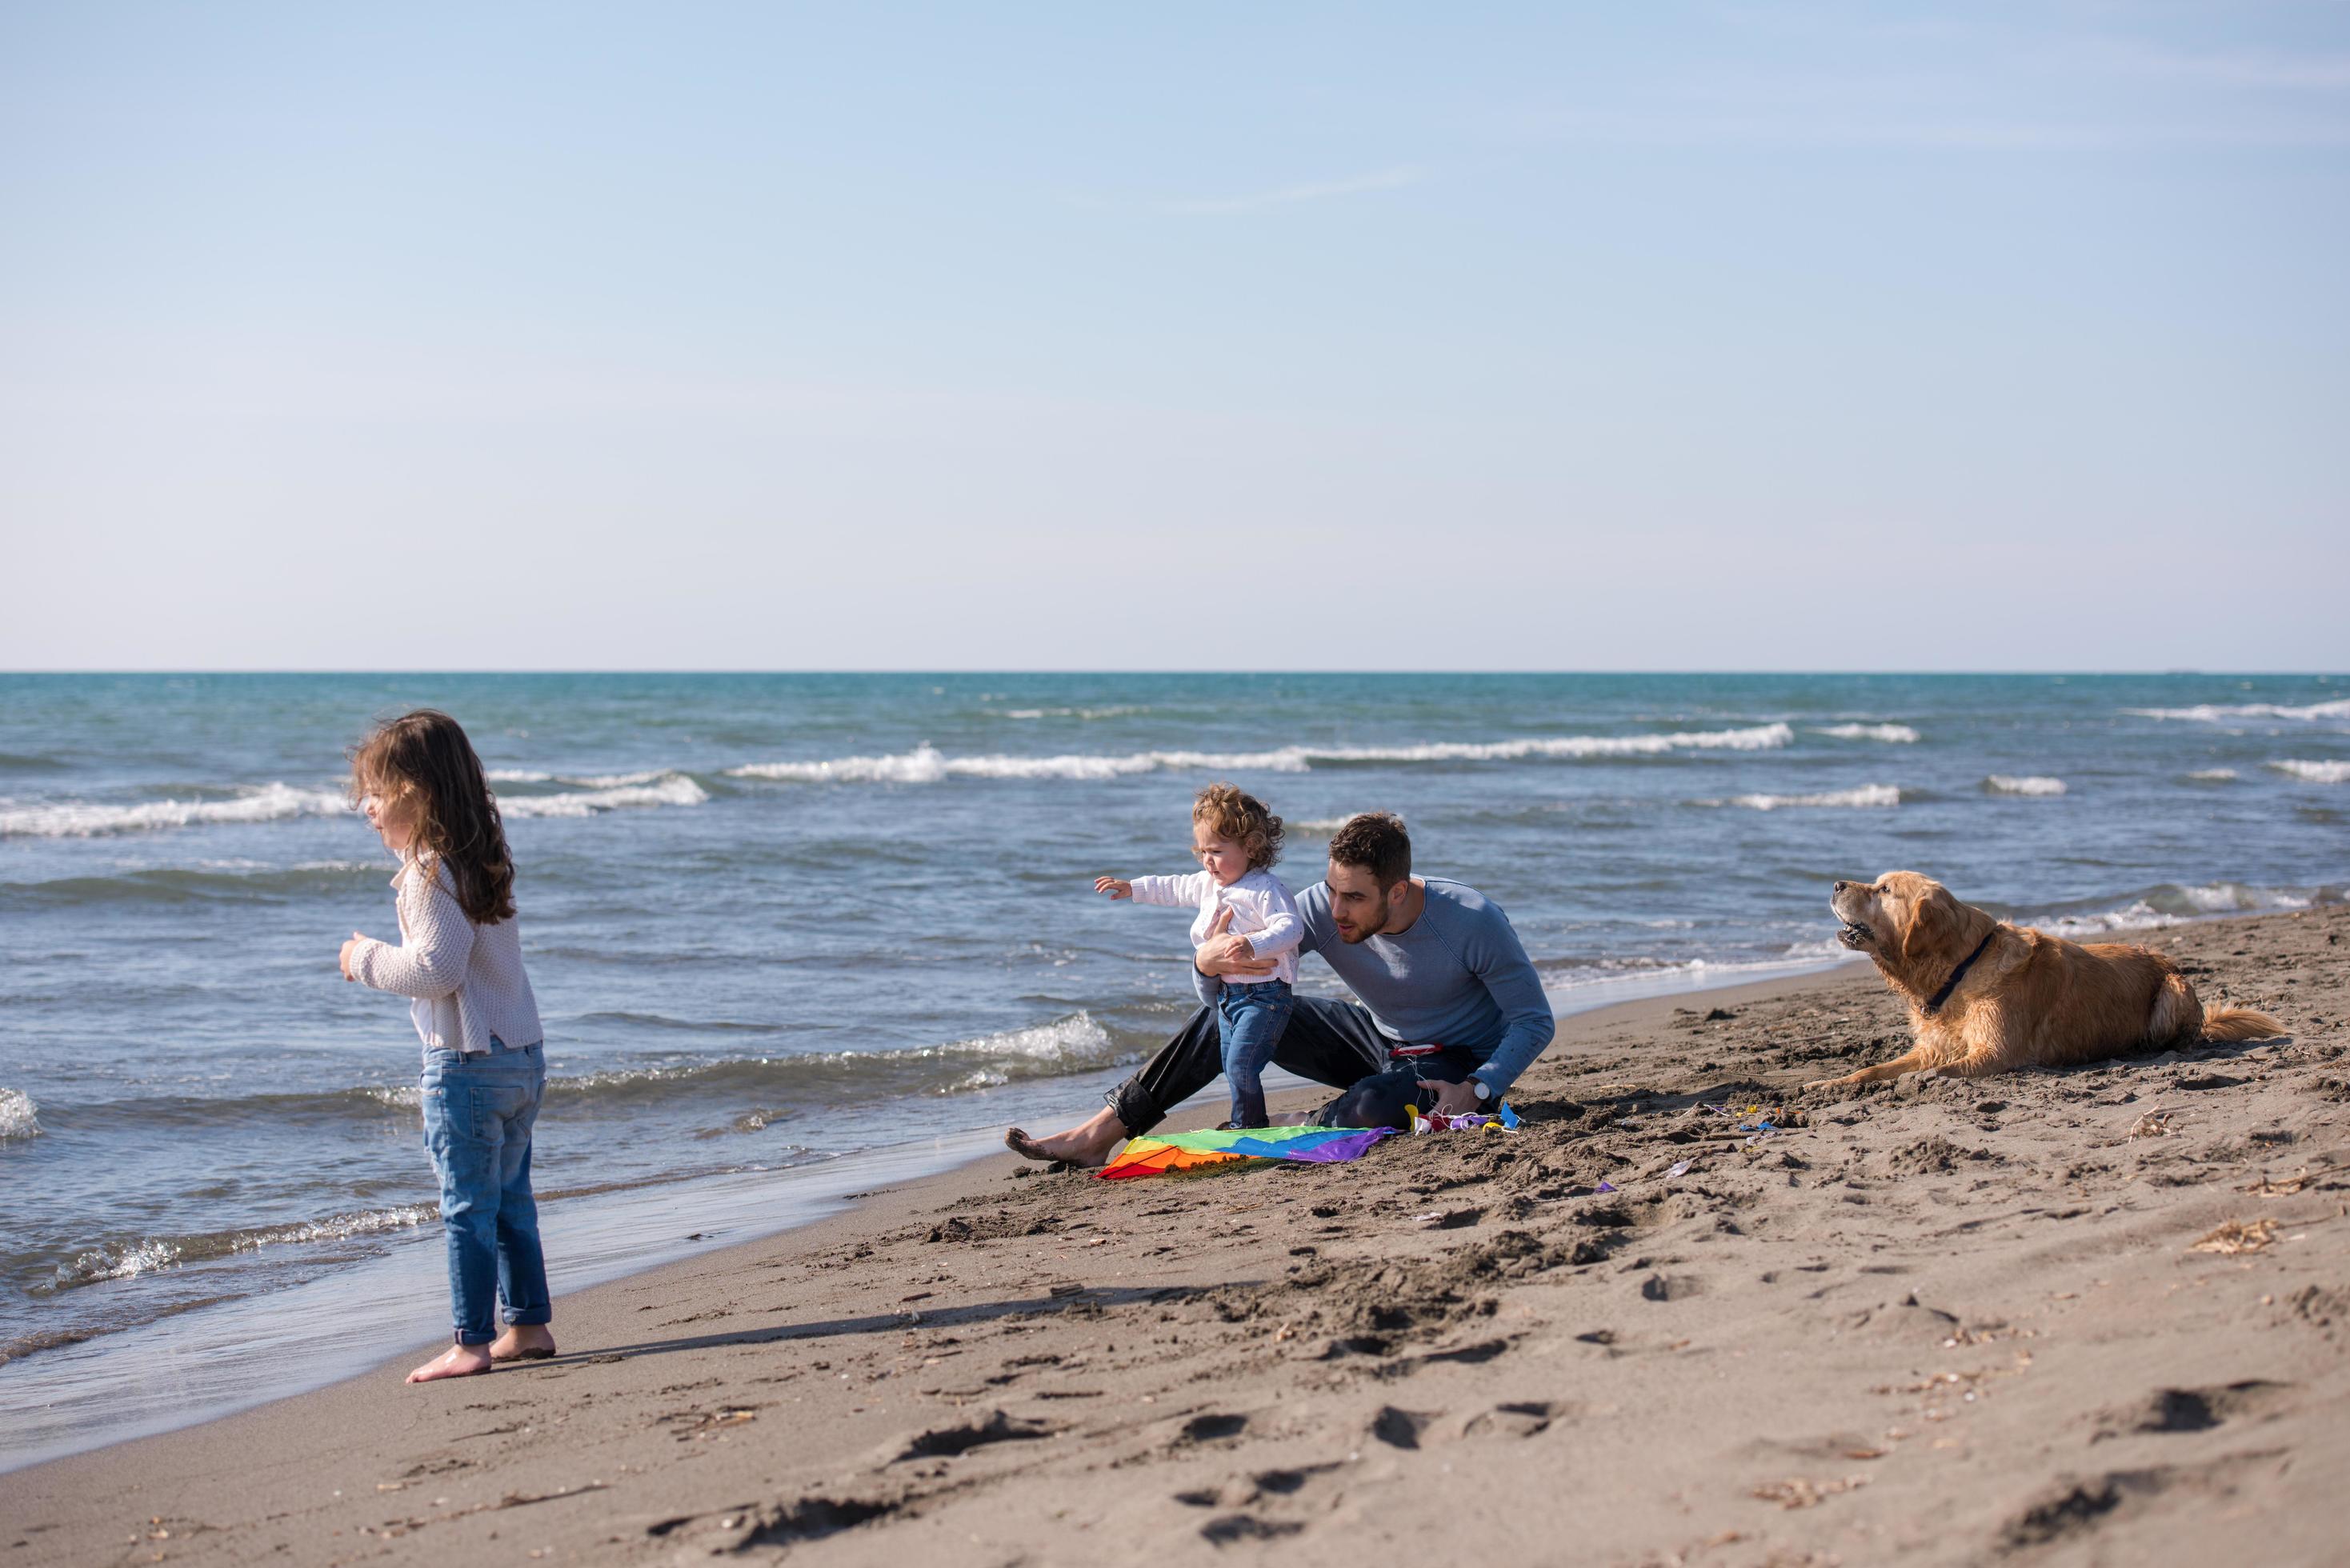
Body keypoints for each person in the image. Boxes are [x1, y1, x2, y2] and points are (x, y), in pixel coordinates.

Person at [1008, 811, 1555, 1166]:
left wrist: (1478, 1091)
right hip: (1378, 1041)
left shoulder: (1471, 920)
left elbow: (1533, 1020)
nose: (1335, 911)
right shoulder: (1319, 907)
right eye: (1333, 891)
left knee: (1370, 1106)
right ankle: (1100, 1133)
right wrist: (1204, 962)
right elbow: (1222, 997)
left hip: (1454, 1066)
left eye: (1354, 899)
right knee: (1248, 1008)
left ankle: (1288, 1126)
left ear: (1395, 892)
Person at [337, 710, 555, 1384]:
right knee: (511, 1199)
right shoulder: (482, 859)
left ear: (418, 792)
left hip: (466, 1063)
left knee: (466, 1206)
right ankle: (528, 1325)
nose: (366, 809)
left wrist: (363, 957)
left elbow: (436, 970)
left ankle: (470, 1342)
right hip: (520, 1054)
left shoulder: (430, 872)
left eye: (375, 792)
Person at [1095, 782, 1301, 1129]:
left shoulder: (1266, 888)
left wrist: (1255, 944)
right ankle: (1248, 1119)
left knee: (1241, 1064)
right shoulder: (1208, 883)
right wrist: (1134, 888)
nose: (1208, 860)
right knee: (1228, 1063)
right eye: (1203, 851)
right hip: (1227, 997)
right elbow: (1173, 887)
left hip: (1265, 997)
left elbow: (1292, 928)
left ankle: (1247, 1125)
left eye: (1218, 851)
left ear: (1250, 847)